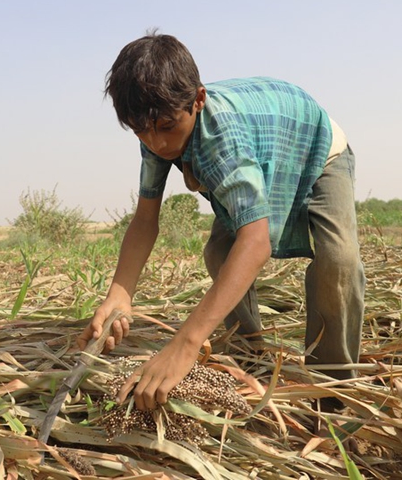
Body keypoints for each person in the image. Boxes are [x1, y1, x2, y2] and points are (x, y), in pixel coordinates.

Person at [76, 31, 365, 412]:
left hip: (314, 146)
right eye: (140, 131)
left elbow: (256, 243)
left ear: (197, 100)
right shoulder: (155, 124)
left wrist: (185, 343)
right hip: (260, 146)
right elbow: (146, 219)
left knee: (338, 261)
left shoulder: (221, 139)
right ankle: (251, 351)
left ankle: (331, 389)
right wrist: (120, 293)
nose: (156, 144)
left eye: (166, 128)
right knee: (219, 252)